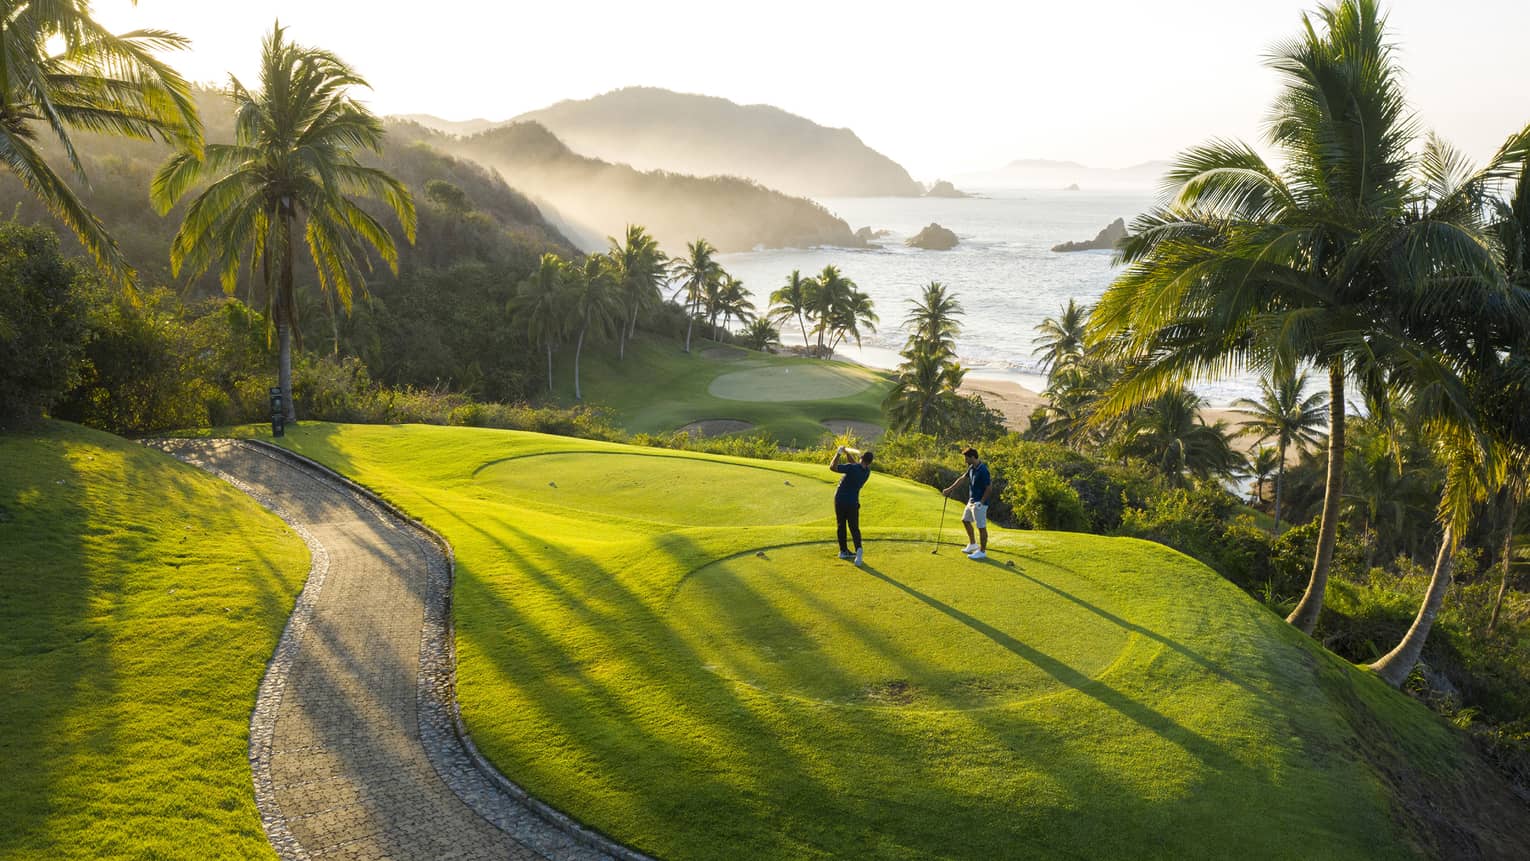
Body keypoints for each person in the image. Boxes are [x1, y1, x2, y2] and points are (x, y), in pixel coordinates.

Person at [944, 447, 993, 560]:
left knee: (981, 527)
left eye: (966, 458)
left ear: (972, 457)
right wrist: (949, 489)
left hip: (980, 503)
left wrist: (981, 502)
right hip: (971, 501)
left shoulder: (983, 470)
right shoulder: (972, 468)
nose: (965, 460)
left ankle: (982, 551)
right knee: (965, 520)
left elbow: (989, 488)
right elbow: (962, 479)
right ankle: (972, 545)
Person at [829, 445, 874, 566]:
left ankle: (843, 551)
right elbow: (855, 465)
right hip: (853, 503)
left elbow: (832, 467)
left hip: (840, 500)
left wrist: (838, 453)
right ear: (869, 463)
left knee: (841, 525)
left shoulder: (852, 468)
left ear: (862, 458)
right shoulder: (867, 472)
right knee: (854, 527)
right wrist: (847, 453)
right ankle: (858, 549)